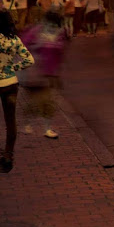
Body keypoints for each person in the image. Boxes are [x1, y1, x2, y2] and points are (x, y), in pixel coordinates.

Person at [19, 12, 66, 139]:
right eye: (50, 24)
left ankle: (46, 128)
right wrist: (36, 48)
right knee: (38, 102)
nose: (52, 27)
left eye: (55, 25)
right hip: (35, 73)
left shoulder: (59, 34)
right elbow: (22, 47)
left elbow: (59, 54)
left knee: (48, 102)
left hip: (50, 74)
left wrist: (58, 72)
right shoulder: (35, 32)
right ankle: (29, 123)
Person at [0, 10, 35, 172]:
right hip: (11, 84)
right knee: (10, 121)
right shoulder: (14, 40)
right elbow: (29, 60)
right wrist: (13, 68)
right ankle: (8, 155)